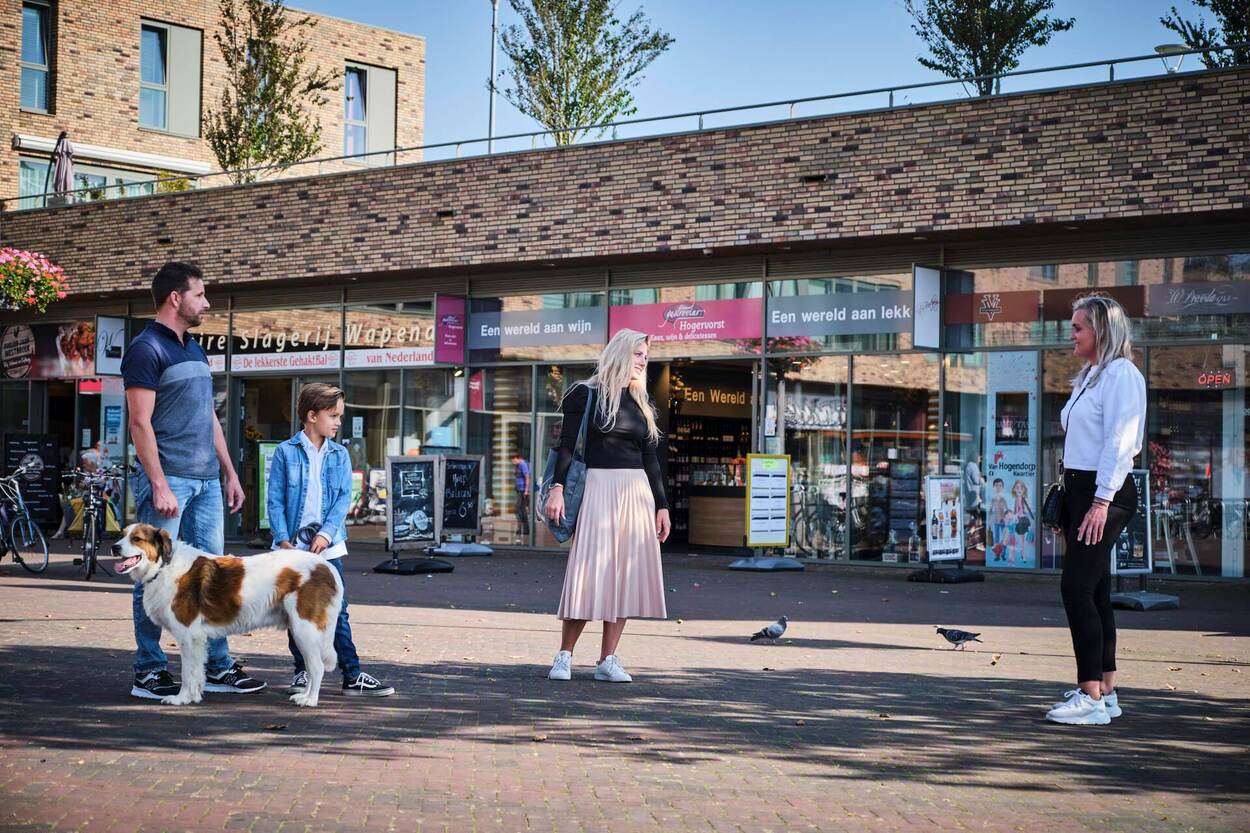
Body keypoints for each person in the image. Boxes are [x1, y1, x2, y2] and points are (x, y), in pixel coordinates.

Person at [123, 262, 264, 700]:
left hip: (205, 483)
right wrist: (160, 484)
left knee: (213, 576)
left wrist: (229, 472)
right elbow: (140, 423)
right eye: (200, 295)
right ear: (175, 298)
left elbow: (210, 419)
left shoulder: (195, 349)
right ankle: (148, 670)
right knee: (151, 573)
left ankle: (217, 666)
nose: (206, 303)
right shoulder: (146, 349)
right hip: (172, 482)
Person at [544, 328, 670, 683]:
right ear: (619, 353)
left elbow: (650, 457)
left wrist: (662, 506)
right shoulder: (584, 395)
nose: (643, 361)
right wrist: (556, 488)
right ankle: (564, 656)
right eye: (637, 354)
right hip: (597, 489)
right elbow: (567, 446)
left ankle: (607, 659)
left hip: (636, 493)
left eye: (645, 355)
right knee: (589, 574)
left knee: (624, 579)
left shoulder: (640, 401)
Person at [1045, 295, 1145, 726]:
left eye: (1079, 328)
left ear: (1101, 331)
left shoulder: (1122, 375)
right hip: (1082, 492)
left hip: (1105, 493)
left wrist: (1101, 502)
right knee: (1096, 590)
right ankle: (1106, 690)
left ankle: (1089, 698)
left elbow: (1120, 442)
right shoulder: (1090, 375)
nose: (1072, 334)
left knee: (1076, 589)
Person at [268, 383, 394, 697]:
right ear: (312, 416)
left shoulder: (340, 455)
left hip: (330, 547)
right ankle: (301, 672)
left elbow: (341, 500)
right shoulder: (285, 452)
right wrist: (283, 540)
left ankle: (352, 675)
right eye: (333, 415)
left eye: (340, 416)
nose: (338, 422)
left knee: (338, 609)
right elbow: (275, 501)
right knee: (296, 612)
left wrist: (325, 534)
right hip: (292, 548)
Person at [511, 451, 531, 539]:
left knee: (519, 508)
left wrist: (526, 490)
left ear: (517, 458)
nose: (512, 462)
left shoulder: (523, 465)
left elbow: (527, 477)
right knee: (521, 509)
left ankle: (524, 528)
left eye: (513, 460)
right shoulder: (518, 465)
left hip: (523, 491)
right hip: (519, 490)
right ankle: (524, 528)